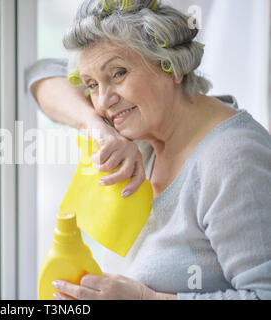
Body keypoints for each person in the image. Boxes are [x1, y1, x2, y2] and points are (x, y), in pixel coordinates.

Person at [27, 0, 271, 300]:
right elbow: (40, 76)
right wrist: (97, 129)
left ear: (172, 67)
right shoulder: (142, 128)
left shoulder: (233, 159)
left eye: (118, 74)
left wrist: (146, 299)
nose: (103, 102)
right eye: (91, 85)